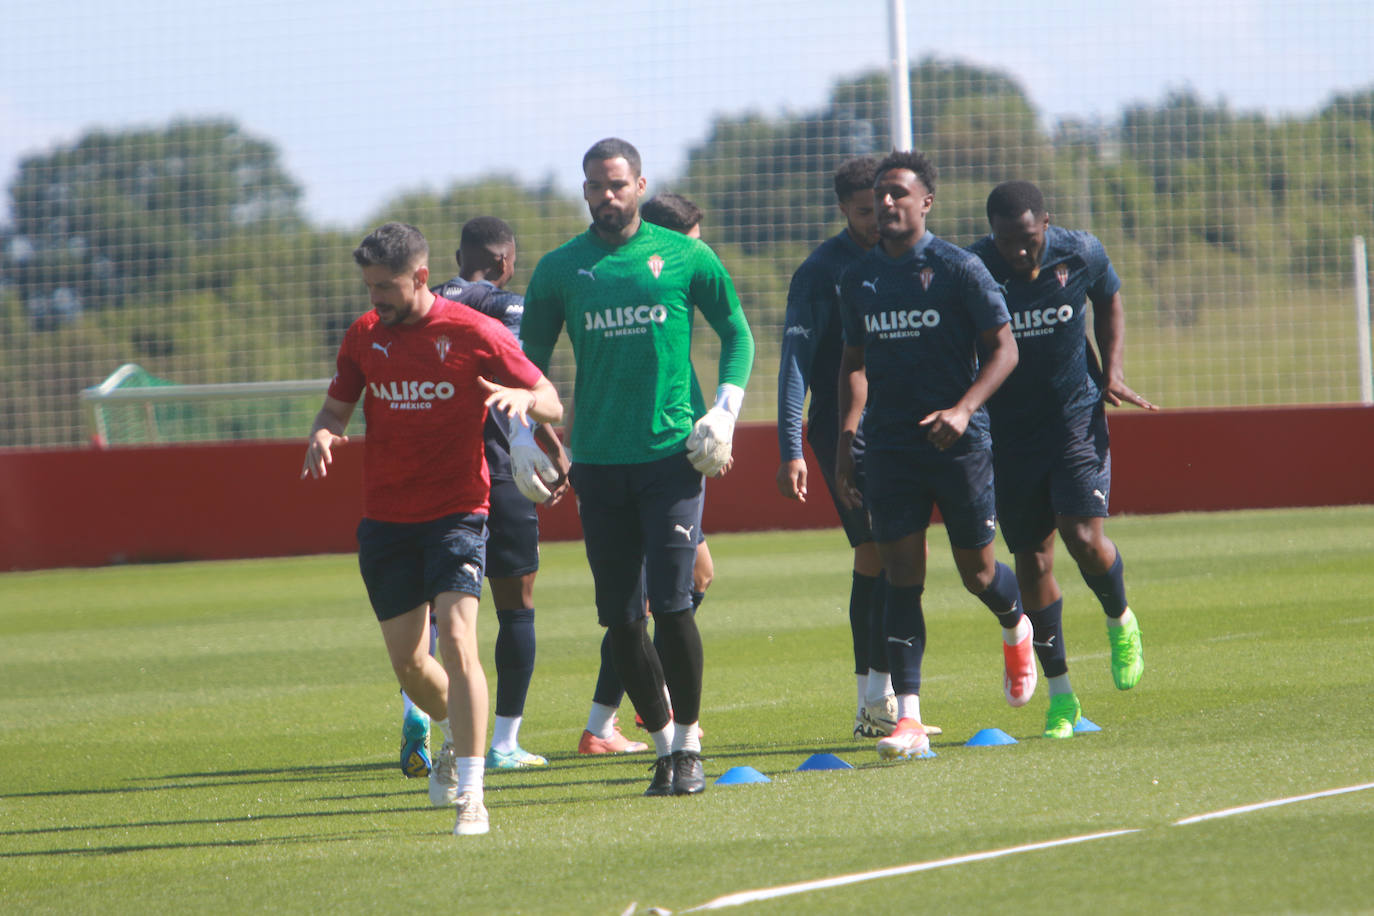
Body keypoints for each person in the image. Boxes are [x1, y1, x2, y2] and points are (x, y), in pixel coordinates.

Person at [301, 221, 563, 836]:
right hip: (386, 520)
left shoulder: (475, 331)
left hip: (457, 513)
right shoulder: (365, 335)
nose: (375, 300)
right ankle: (450, 734)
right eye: (369, 288)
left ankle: (473, 792)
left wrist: (525, 401)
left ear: (420, 276)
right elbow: (336, 406)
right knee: (411, 667)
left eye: (385, 287)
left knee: (459, 640)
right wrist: (322, 432)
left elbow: (550, 397)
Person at [521, 138, 755, 796]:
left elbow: (737, 331)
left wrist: (726, 411)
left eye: (618, 184)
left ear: (641, 185)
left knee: (675, 606)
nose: (606, 196)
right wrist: (520, 438)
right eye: (595, 185)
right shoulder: (561, 269)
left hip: (670, 462)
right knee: (622, 620)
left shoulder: (685, 255)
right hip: (598, 466)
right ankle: (660, 745)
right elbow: (524, 363)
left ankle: (689, 745)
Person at [836, 151, 1030, 761]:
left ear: (926, 203)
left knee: (978, 575)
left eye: (898, 193)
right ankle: (910, 717)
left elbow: (1005, 350)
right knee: (902, 575)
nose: (887, 203)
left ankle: (1015, 621)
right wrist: (847, 441)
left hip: (959, 444)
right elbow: (853, 364)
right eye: (880, 194)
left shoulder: (960, 270)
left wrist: (965, 409)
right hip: (891, 446)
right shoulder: (859, 279)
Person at [968, 180, 1153, 738]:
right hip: (1006, 433)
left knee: (1084, 538)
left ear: (1046, 223)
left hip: (1075, 416)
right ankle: (1062, 697)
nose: (1019, 253)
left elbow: (1110, 298)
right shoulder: (973, 268)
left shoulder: (1082, 251)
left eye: (1027, 240)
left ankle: (1120, 618)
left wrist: (1113, 370)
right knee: (1035, 561)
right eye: (1006, 243)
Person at [388, 216, 570, 773]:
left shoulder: (418, 301)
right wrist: (554, 451)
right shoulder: (507, 307)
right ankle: (504, 743)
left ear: (455, 256)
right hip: (498, 470)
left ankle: (419, 712)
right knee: (516, 605)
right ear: (506, 263)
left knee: (432, 615)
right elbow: (518, 386)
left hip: (432, 479)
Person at [576, 191, 716, 753]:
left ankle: (607, 717)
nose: (699, 254)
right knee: (659, 595)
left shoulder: (676, 286)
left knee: (675, 588)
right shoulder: (642, 278)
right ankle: (622, 715)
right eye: (695, 242)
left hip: (674, 454)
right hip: (634, 460)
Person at [776, 155, 903, 741]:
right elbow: (795, 364)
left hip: (905, 421)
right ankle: (874, 701)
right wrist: (791, 445)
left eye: (882, 207)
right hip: (841, 433)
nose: (878, 220)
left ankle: (888, 697)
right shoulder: (820, 272)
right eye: (863, 212)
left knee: (897, 554)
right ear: (842, 210)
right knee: (875, 551)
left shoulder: (914, 255)